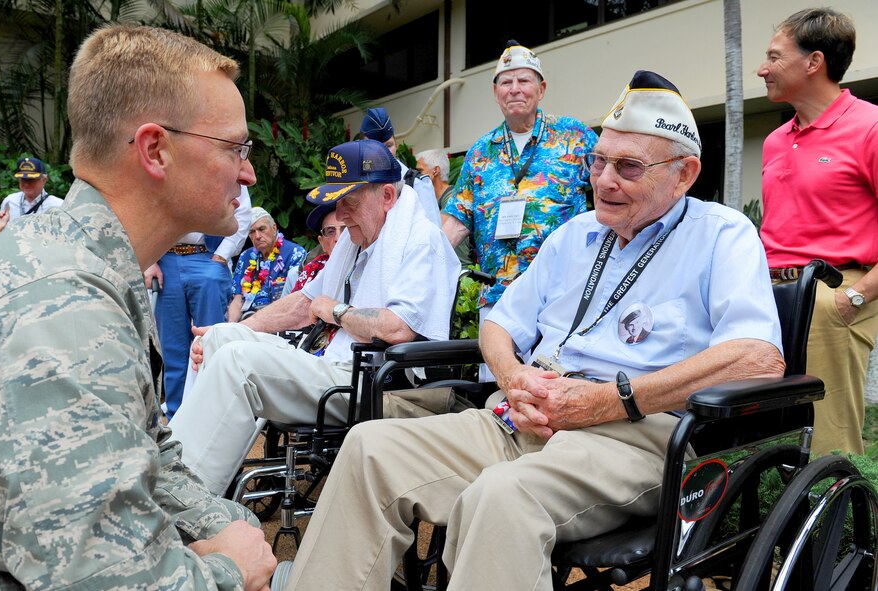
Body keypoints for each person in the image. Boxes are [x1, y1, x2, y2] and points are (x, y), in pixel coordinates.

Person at [283, 71, 786, 591]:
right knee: (368, 449)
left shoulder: (721, 235)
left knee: (501, 497)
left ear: (684, 174)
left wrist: (610, 400)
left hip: (633, 435)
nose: (604, 180)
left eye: (628, 166)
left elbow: (757, 357)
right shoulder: (573, 235)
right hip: (521, 416)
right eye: (598, 161)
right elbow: (500, 321)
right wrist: (512, 374)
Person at [0, 24, 276, 589]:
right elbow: (101, 578)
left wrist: (231, 525)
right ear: (155, 150)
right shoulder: (65, 309)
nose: (247, 173)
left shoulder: (84, 262)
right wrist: (230, 571)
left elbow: (150, 450)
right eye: (235, 147)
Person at [168, 139, 461, 496]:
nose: (341, 214)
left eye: (349, 201)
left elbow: (398, 328)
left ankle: (187, 499)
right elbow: (303, 303)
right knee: (218, 339)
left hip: (375, 383)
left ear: (386, 196)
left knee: (237, 361)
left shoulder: (421, 240)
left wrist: (337, 311)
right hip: (338, 367)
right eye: (338, 202)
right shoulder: (357, 242)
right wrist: (236, 327)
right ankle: (175, 471)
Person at [757, 7, 878, 456]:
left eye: (774, 56)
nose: (762, 68)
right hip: (768, 294)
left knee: (828, 438)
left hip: (832, 296)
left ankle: (840, 526)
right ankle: (780, 524)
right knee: (764, 427)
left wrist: (853, 299)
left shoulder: (869, 127)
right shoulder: (775, 139)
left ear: (814, 62)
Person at [442, 41, 598, 321]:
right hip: (498, 296)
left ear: (541, 89)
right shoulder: (480, 152)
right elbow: (456, 221)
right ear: (495, 92)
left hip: (562, 293)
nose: (514, 88)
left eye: (524, 80)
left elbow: (611, 190)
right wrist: (419, 262)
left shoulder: (574, 136)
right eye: (506, 82)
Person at [144, 185, 251, 419]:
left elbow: (242, 211)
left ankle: (212, 417)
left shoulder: (222, 157)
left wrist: (222, 255)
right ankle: (176, 418)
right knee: (171, 346)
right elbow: (144, 205)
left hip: (207, 256)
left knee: (212, 341)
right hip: (166, 257)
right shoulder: (161, 157)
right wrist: (149, 258)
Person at [359, 107, 442, 226]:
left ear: (396, 145)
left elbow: (433, 233)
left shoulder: (416, 184)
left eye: (388, 145)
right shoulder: (357, 182)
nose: (384, 152)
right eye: (375, 147)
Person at [228, 206, 305, 321]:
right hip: (247, 318)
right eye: (252, 232)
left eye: (262, 229)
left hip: (280, 318)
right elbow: (237, 300)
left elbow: (297, 300)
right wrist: (231, 327)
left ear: (274, 228)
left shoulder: (295, 253)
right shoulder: (246, 256)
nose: (257, 236)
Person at [416, 148, 472, 267]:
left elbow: (435, 231)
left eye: (420, 171)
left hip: (460, 271)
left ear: (435, 170)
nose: (416, 176)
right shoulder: (434, 200)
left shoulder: (453, 198)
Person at [290, 203, 344, 292]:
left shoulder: (366, 264)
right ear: (322, 243)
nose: (338, 238)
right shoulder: (312, 271)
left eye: (345, 230)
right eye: (330, 231)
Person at [0, 157, 63, 225]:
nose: (26, 184)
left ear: (44, 180)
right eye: (23, 179)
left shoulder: (57, 205)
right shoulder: (10, 202)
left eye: (31, 179)